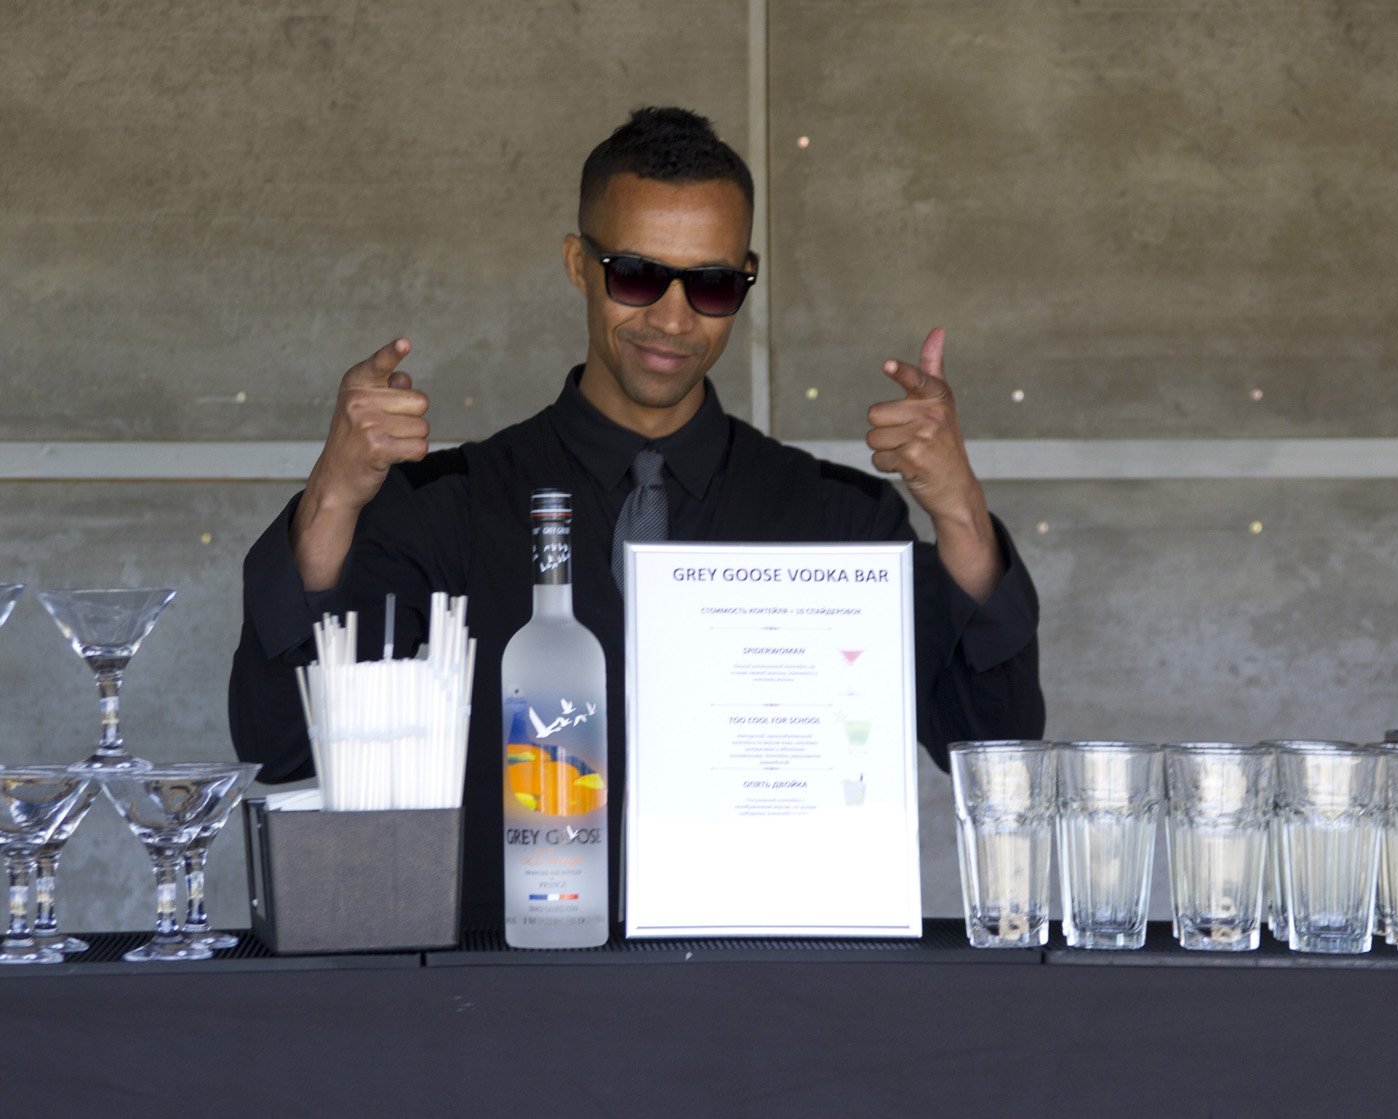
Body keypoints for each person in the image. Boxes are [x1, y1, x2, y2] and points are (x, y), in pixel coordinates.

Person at [229, 106, 1044, 927]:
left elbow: (996, 753)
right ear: (578, 264)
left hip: (768, 984)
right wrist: (335, 492)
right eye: (637, 276)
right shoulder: (448, 505)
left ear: (747, 278)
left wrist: (959, 509)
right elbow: (282, 742)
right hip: (504, 985)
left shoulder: (841, 520)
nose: (674, 318)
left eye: (711, 283)